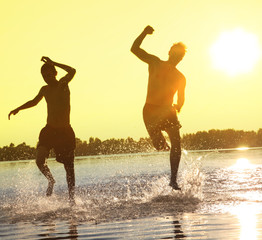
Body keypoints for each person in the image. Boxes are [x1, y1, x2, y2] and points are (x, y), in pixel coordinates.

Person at [8, 57, 76, 203]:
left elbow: (72, 70)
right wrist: (18, 108)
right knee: (40, 160)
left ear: (55, 73)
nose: (46, 78)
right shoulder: (44, 89)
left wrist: (53, 62)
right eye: (44, 76)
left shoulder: (63, 84)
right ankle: (51, 181)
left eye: (49, 75)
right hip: (49, 130)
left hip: (65, 132)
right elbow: (34, 101)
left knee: (69, 168)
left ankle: (72, 200)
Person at [131, 25, 186, 190]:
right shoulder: (155, 62)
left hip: (168, 112)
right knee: (159, 145)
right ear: (170, 52)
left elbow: (181, 99)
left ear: (182, 58)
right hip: (150, 111)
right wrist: (143, 33)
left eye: (181, 55)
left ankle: (173, 180)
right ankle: (159, 140)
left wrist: (178, 106)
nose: (178, 56)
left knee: (177, 144)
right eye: (176, 53)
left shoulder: (180, 77)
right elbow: (134, 49)